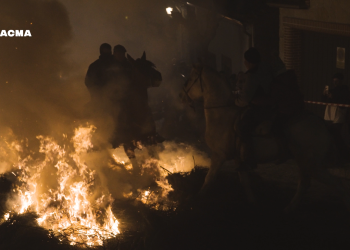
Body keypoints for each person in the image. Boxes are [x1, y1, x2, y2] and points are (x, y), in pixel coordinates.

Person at [235, 47, 274, 170]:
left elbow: (245, 99)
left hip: (260, 109)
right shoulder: (266, 69)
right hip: (272, 105)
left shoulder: (252, 76)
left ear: (249, 62)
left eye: (245, 61)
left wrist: (235, 101)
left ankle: (248, 157)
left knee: (242, 127)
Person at [322, 72, 350, 163]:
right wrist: (325, 95)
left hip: (338, 114)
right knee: (331, 135)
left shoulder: (344, 90)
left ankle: (343, 155)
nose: (335, 83)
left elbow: (343, 100)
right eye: (334, 81)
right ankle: (335, 156)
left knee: (336, 135)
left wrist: (333, 97)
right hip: (330, 114)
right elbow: (325, 101)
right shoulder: (333, 90)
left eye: (336, 81)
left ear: (341, 81)